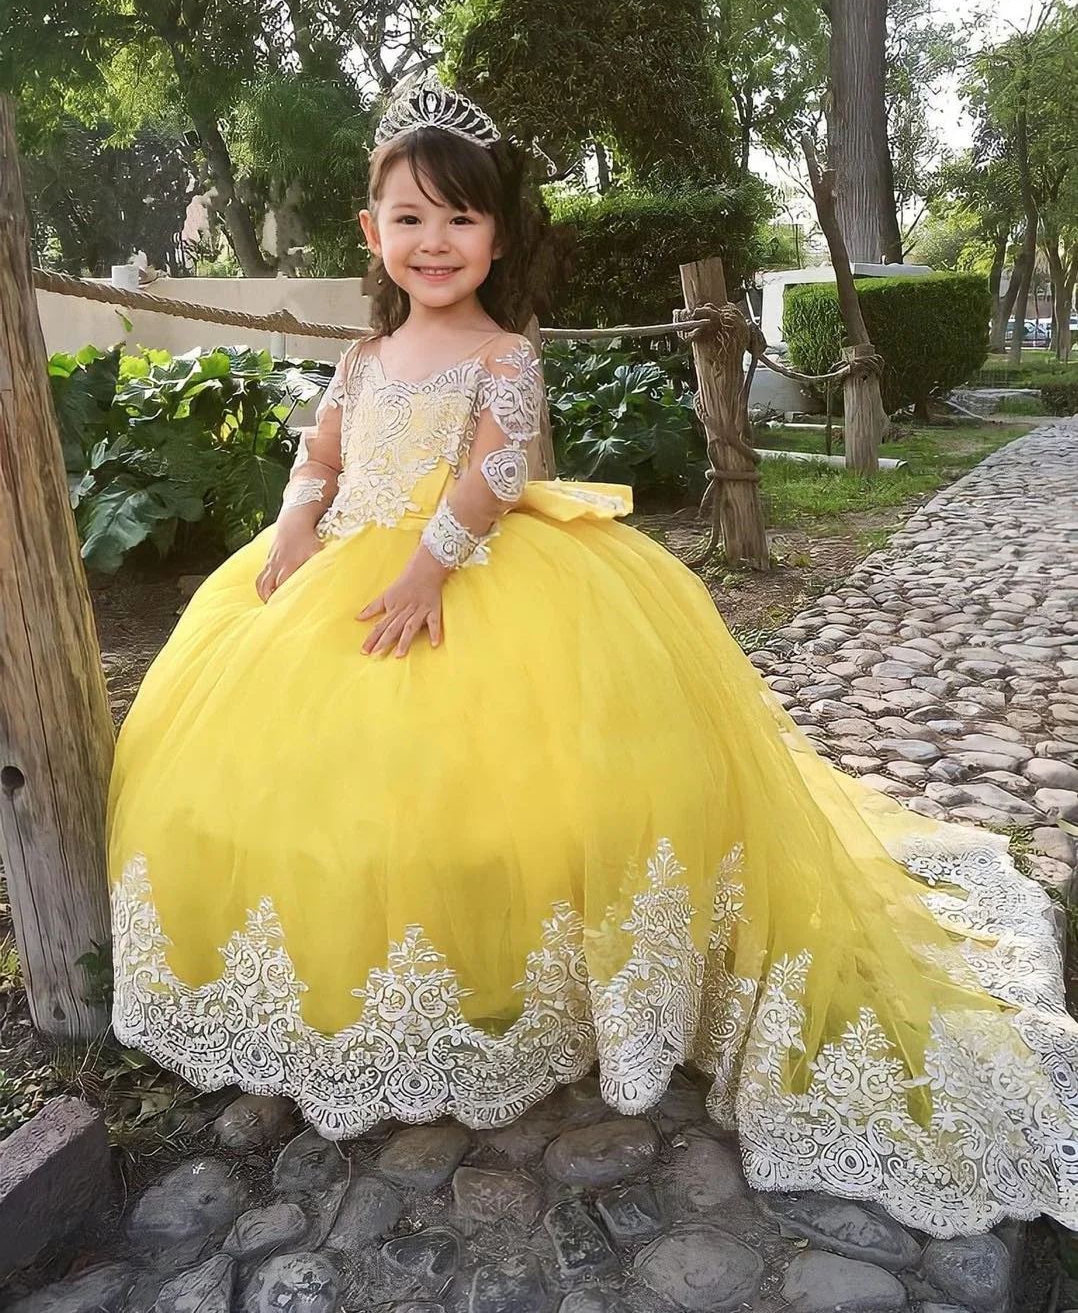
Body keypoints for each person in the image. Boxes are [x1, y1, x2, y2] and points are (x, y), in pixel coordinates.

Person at [108, 77, 1078, 1238]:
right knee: (328, 782)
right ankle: (369, 994)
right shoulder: (367, 357)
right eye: (407, 217)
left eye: (459, 219)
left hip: (466, 571)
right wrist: (302, 519)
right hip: (338, 574)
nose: (433, 242)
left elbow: (497, 471)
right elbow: (321, 449)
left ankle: (538, 993)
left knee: (511, 775)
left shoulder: (501, 353)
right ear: (370, 232)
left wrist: (427, 565)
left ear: (497, 234)